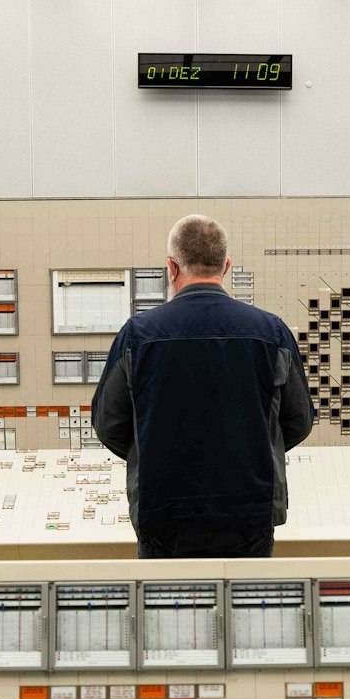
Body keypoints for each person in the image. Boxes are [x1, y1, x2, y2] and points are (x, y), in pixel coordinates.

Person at [91, 215, 315, 558]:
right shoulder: (271, 332)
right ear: (225, 266)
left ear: (171, 267)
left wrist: (153, 453)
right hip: (248, 515)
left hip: (164, 515)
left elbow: (109, 425)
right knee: (246, 608)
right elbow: (298, 420)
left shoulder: (137, 335)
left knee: (164, 609)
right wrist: (248, 449)